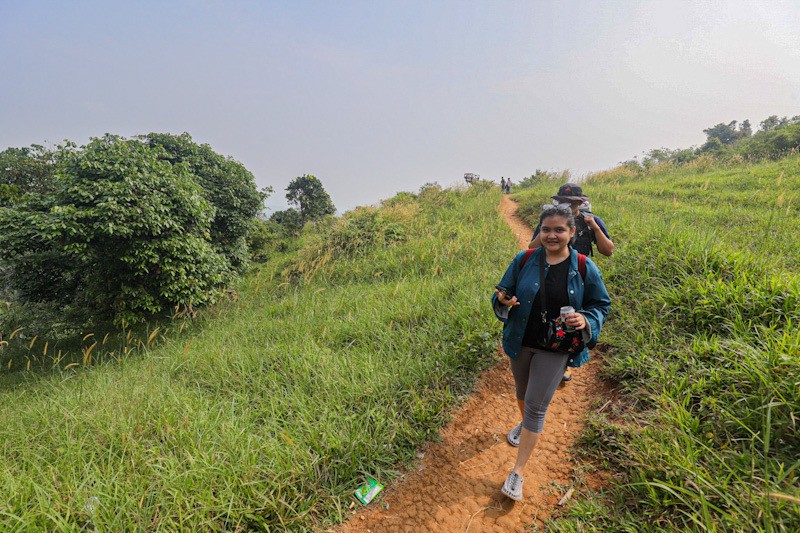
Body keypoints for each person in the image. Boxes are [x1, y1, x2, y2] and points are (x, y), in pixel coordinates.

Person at [492, 204, 610, 501]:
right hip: (521, 340)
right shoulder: (525, 259)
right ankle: (525, 426)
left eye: (559, 230)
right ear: (539, 232)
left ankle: (517, 472)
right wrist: (504, 301)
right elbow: (502, 290)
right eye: (546, 230)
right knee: (521, 391)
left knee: (535, 405)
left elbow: (601, 304)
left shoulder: (584, 266)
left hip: (557, 347)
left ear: (572, 232)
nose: (552, 235)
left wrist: (586, 319)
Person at [529, 183, 614, 382]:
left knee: (573, 319)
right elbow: (531, 249)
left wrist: (593, 226)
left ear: (581, 202)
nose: (568, 205)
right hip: (554, 272)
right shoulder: (550, 220)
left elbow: (608, 250)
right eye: (564, 201)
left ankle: (566, 361)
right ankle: (549, 352)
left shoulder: (591, 220)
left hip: (582, 276)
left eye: (573, 202)